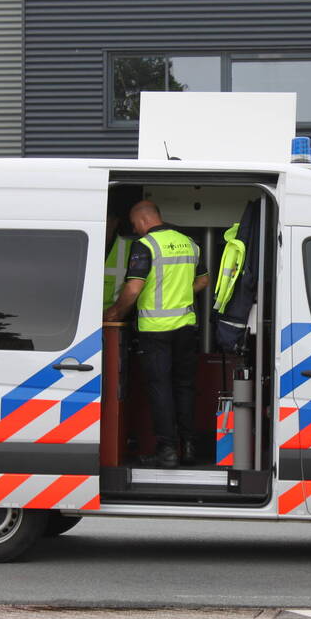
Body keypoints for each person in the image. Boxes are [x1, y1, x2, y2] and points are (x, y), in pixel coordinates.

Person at [103, 200, 209, 468]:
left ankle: (167, 450)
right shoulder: (190, 243)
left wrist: (114, 314)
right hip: (186, 327)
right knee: (184, 387)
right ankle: (188, 446)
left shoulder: (146, 245)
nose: (136, 230)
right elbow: (204, 280)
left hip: (155, 331)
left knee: (160, 388)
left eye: (135, 225)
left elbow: (134, 289)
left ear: (141, 221)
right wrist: (180, 297)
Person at [103, 211, 132, 309]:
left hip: (117, 316)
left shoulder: (131, 247)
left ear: (115, 223)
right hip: (85, 314)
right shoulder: (82, 244)